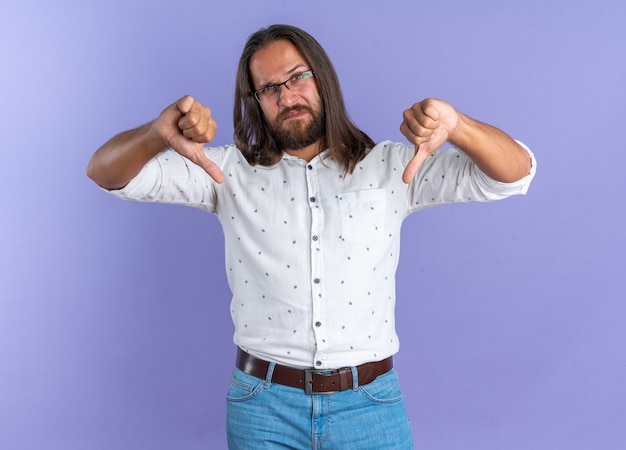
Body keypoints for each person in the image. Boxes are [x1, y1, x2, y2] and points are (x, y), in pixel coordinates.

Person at [87, 24, 535, 449]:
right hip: (261, 406)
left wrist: (457, 127)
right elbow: (105, 173)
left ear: (322, 79)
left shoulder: (393, 167)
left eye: (297, 76)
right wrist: (155, 134)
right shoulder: (224, 172)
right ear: (255, 101)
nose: (287, 96)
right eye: (268, 88)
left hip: (370, 405)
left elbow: (514, 174)